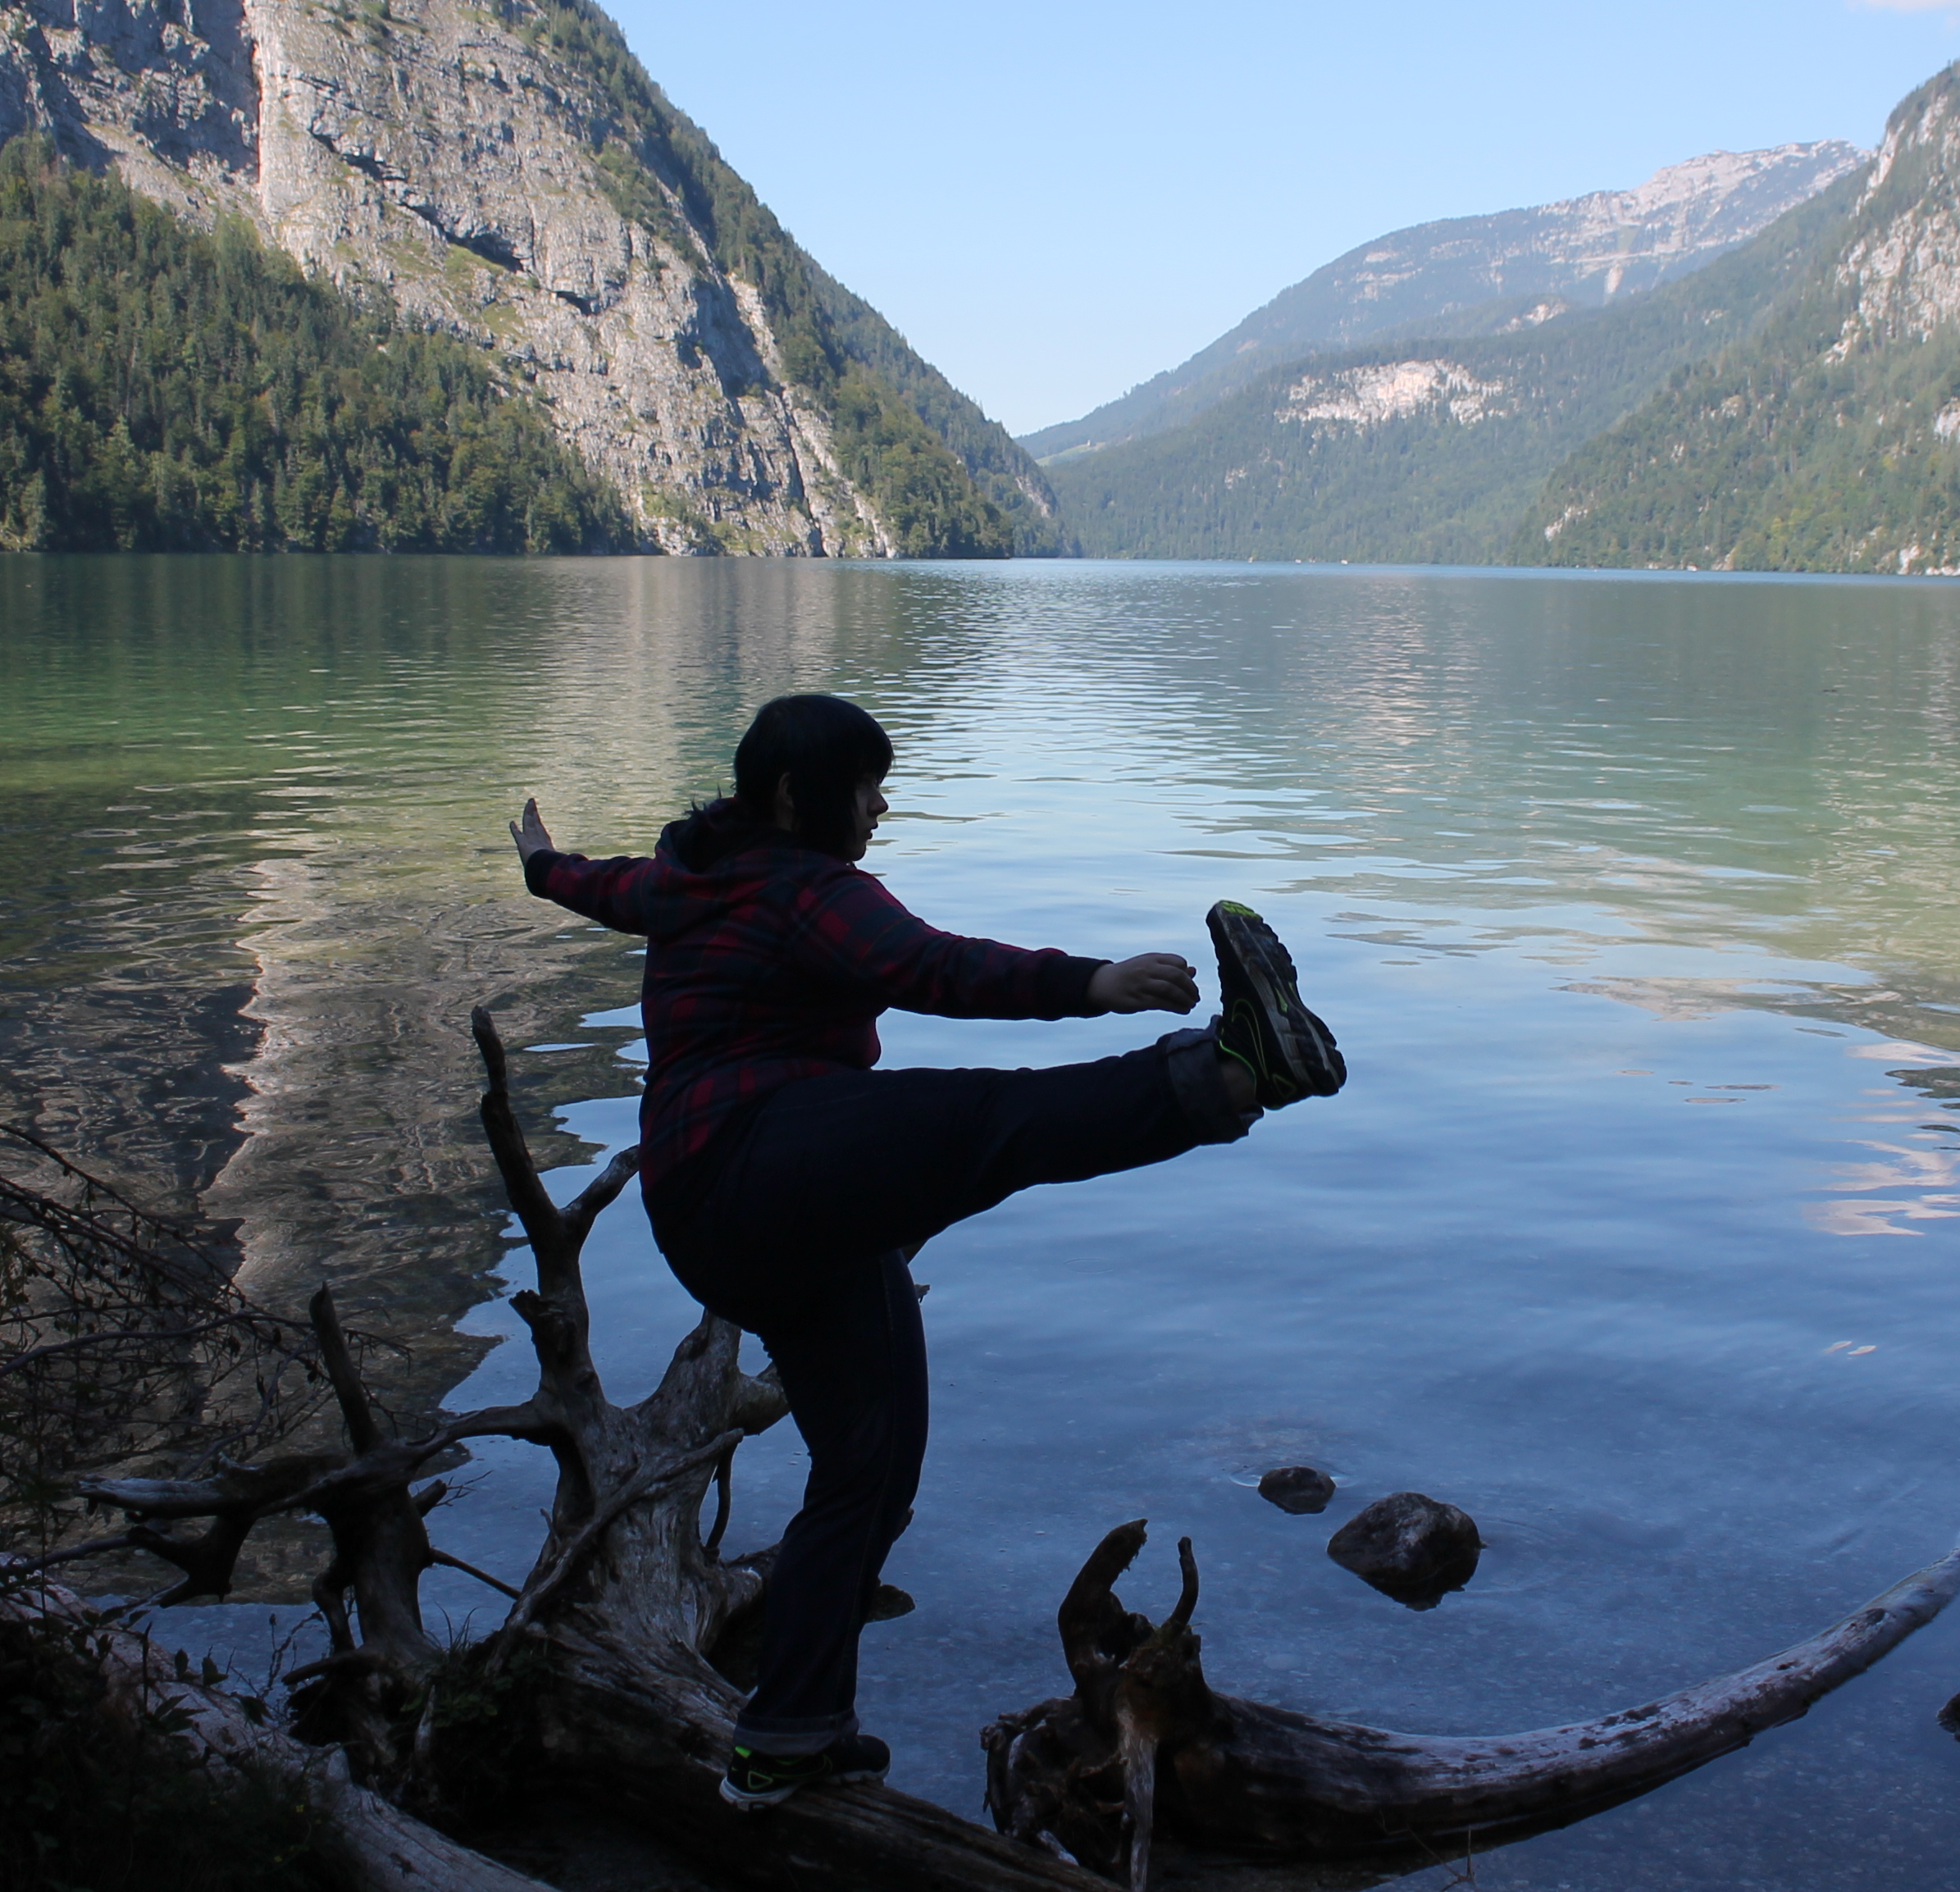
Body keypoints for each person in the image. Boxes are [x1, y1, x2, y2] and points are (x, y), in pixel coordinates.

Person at [511, 691, 1343, 1808]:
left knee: (871, 1469)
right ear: (796, 798)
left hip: (747, 1218)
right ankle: (1236, 1073)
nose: (879, 806)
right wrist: (1089, 982)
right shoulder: (808, 889)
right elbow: (930, 967)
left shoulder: (684, 877)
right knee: (979, 1124)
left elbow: (594, 886)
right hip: (754, 1167)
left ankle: (786, 1735)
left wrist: (538, 863)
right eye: (863, 787)